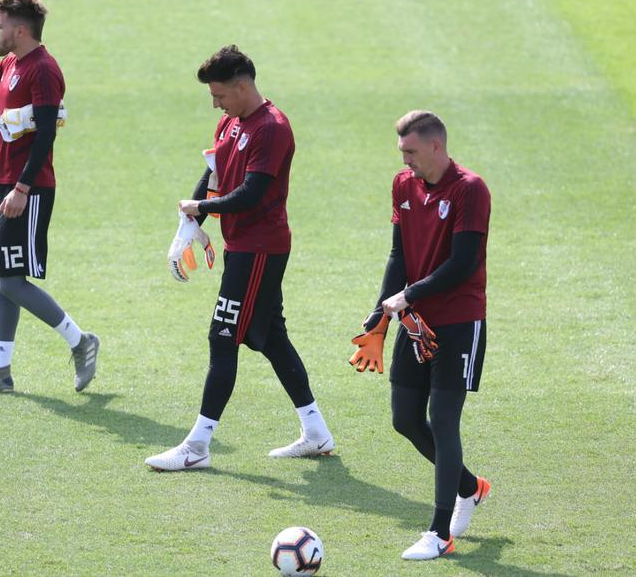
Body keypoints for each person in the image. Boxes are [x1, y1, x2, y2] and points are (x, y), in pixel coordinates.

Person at [145, 45, 334, 471]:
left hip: (260, 250)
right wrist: (188, 225)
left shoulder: (272, 128)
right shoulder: (229, 123)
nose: (215, 103)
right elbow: (212, 175)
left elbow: (253, 193)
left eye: (220, 95)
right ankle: (317, 432)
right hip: (243, 248)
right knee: (270, 337)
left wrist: (205, 211)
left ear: (243, 85)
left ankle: (197, 446)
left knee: (223, 338)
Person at [359, 110, 491, 560]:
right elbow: (398, 254)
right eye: (402, 153)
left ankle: (439, 532)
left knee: (445, 418)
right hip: (415, 322)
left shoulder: (470, 190)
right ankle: (471, 487)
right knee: (405, 419)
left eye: (412, 151)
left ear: (436, 146)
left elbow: (462, 264)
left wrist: (408, 295)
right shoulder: (402, 185)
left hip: (459, 320)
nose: (406, 160)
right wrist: (380, 312)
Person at [0, 0, 99, 394]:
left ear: (20, 30)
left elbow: (47, 133)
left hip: (25, 190)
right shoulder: (11, 63)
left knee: (13, 282)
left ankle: (81, 341)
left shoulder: (44, 70)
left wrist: (21, 188)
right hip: (0, 182)